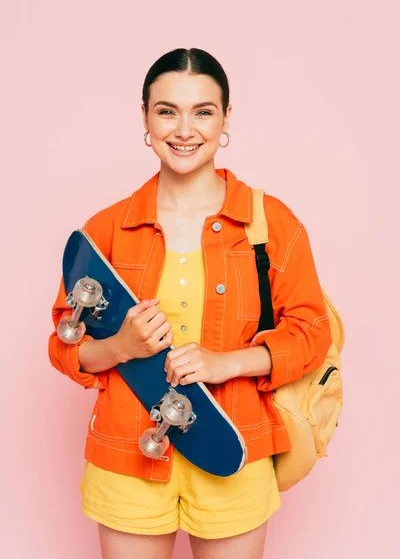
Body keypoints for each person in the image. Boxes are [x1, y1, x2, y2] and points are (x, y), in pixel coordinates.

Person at [48, 48, 331, 559]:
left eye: (203, 111)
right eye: (167, 110)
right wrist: (120, 346)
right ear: (145, 118)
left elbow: (312, 332)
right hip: (127, 456)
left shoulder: (268, 224)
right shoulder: (107, 229)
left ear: (225, 119)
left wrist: (228, 363)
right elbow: (66, 347)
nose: (184, 129)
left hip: (232, 452)